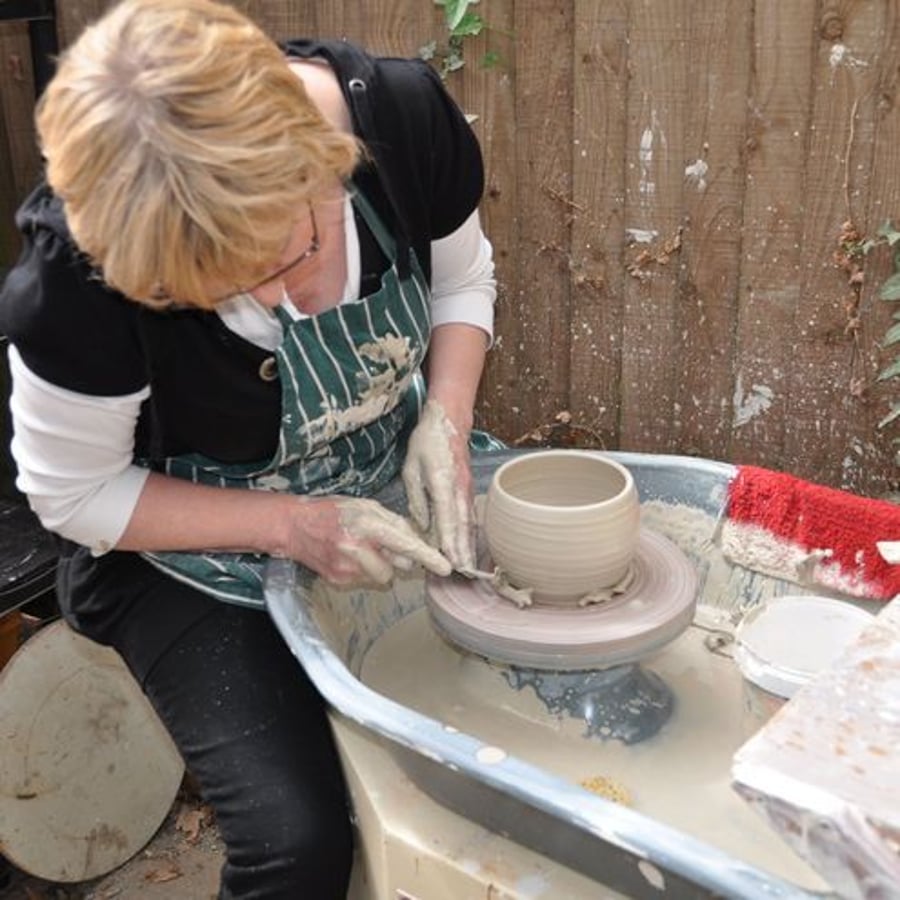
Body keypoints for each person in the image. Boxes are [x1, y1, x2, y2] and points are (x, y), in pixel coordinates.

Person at [0, 0, 496, 895]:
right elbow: (74, 498)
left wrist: (446, 420)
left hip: (394, 465)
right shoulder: (73, 287)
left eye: (290, 254)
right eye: (226, 291)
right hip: (184, 540)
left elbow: (462, 282)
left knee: (497, 737)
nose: (285, 305)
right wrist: (292, 526)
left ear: (320, 158)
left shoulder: (403, 119)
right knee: (296, 839)